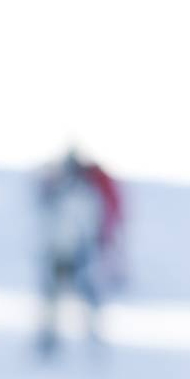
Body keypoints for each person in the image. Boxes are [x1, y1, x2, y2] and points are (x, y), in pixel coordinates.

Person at [35, 147, 122, 358]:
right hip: (61, 251)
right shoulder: (61, 193)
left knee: (85, 296)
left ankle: (92, 339)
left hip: (77, 252)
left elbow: (92, 222)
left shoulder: (82, 193)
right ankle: (51, 338)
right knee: (55, 297)